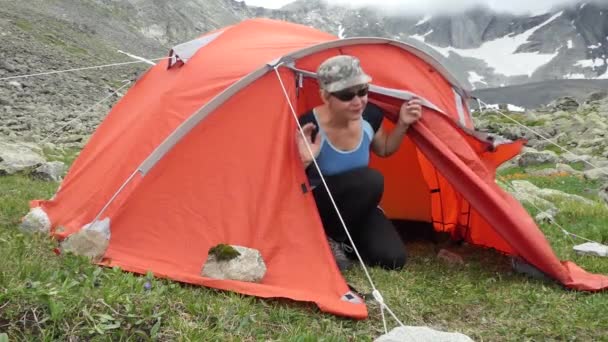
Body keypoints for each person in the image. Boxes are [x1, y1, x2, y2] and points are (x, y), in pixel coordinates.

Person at [296, 55, 423, 271]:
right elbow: (286, 184)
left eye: (363, 91)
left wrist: (402, 124)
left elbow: (383, 149)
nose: (358, 101)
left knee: (393, 259)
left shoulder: (370, 115)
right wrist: (304, 160)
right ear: (325, 96)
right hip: (319, 207)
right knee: (370, 180)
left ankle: (341, 242)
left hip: (357, 207)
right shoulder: (309, 125)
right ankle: (327, 239)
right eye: (346, 95)